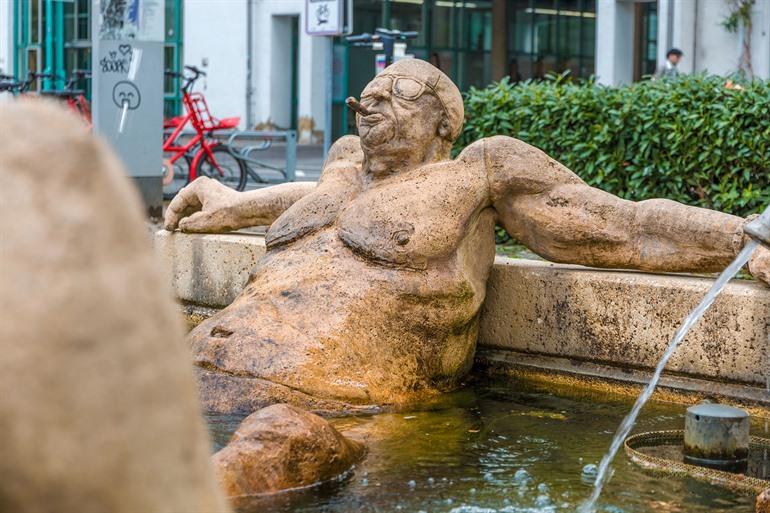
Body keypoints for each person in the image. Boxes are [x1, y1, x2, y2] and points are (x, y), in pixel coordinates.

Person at [165, 58, 770, 415]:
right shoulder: (343, 167)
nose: (375, 99)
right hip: (190, 375)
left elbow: (623, 228)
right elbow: (315, 202)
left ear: (444, 120)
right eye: (369, 92)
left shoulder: (478, 172)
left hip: (328, 405)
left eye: (401, 91)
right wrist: (232, 203)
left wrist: (747, 238)